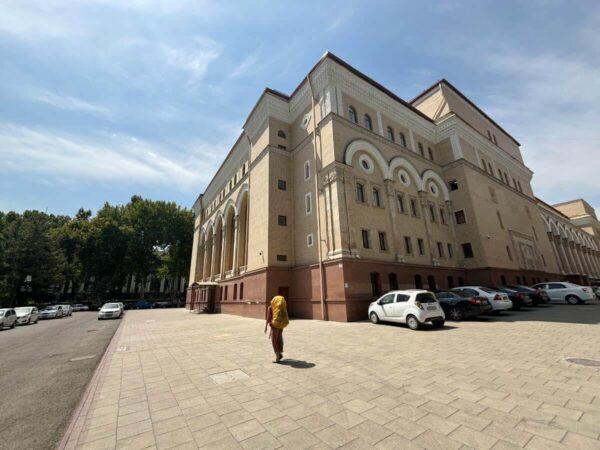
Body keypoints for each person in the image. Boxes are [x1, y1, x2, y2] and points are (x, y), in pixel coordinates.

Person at [264, 295, 289, 362]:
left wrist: (266, 327)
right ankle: (280, 352)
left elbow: (268, 318)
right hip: (281, 325)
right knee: (279, 339)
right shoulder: (280, 308)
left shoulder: (270, 308)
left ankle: (277, 356)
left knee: (274, 341)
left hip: (274, 326)